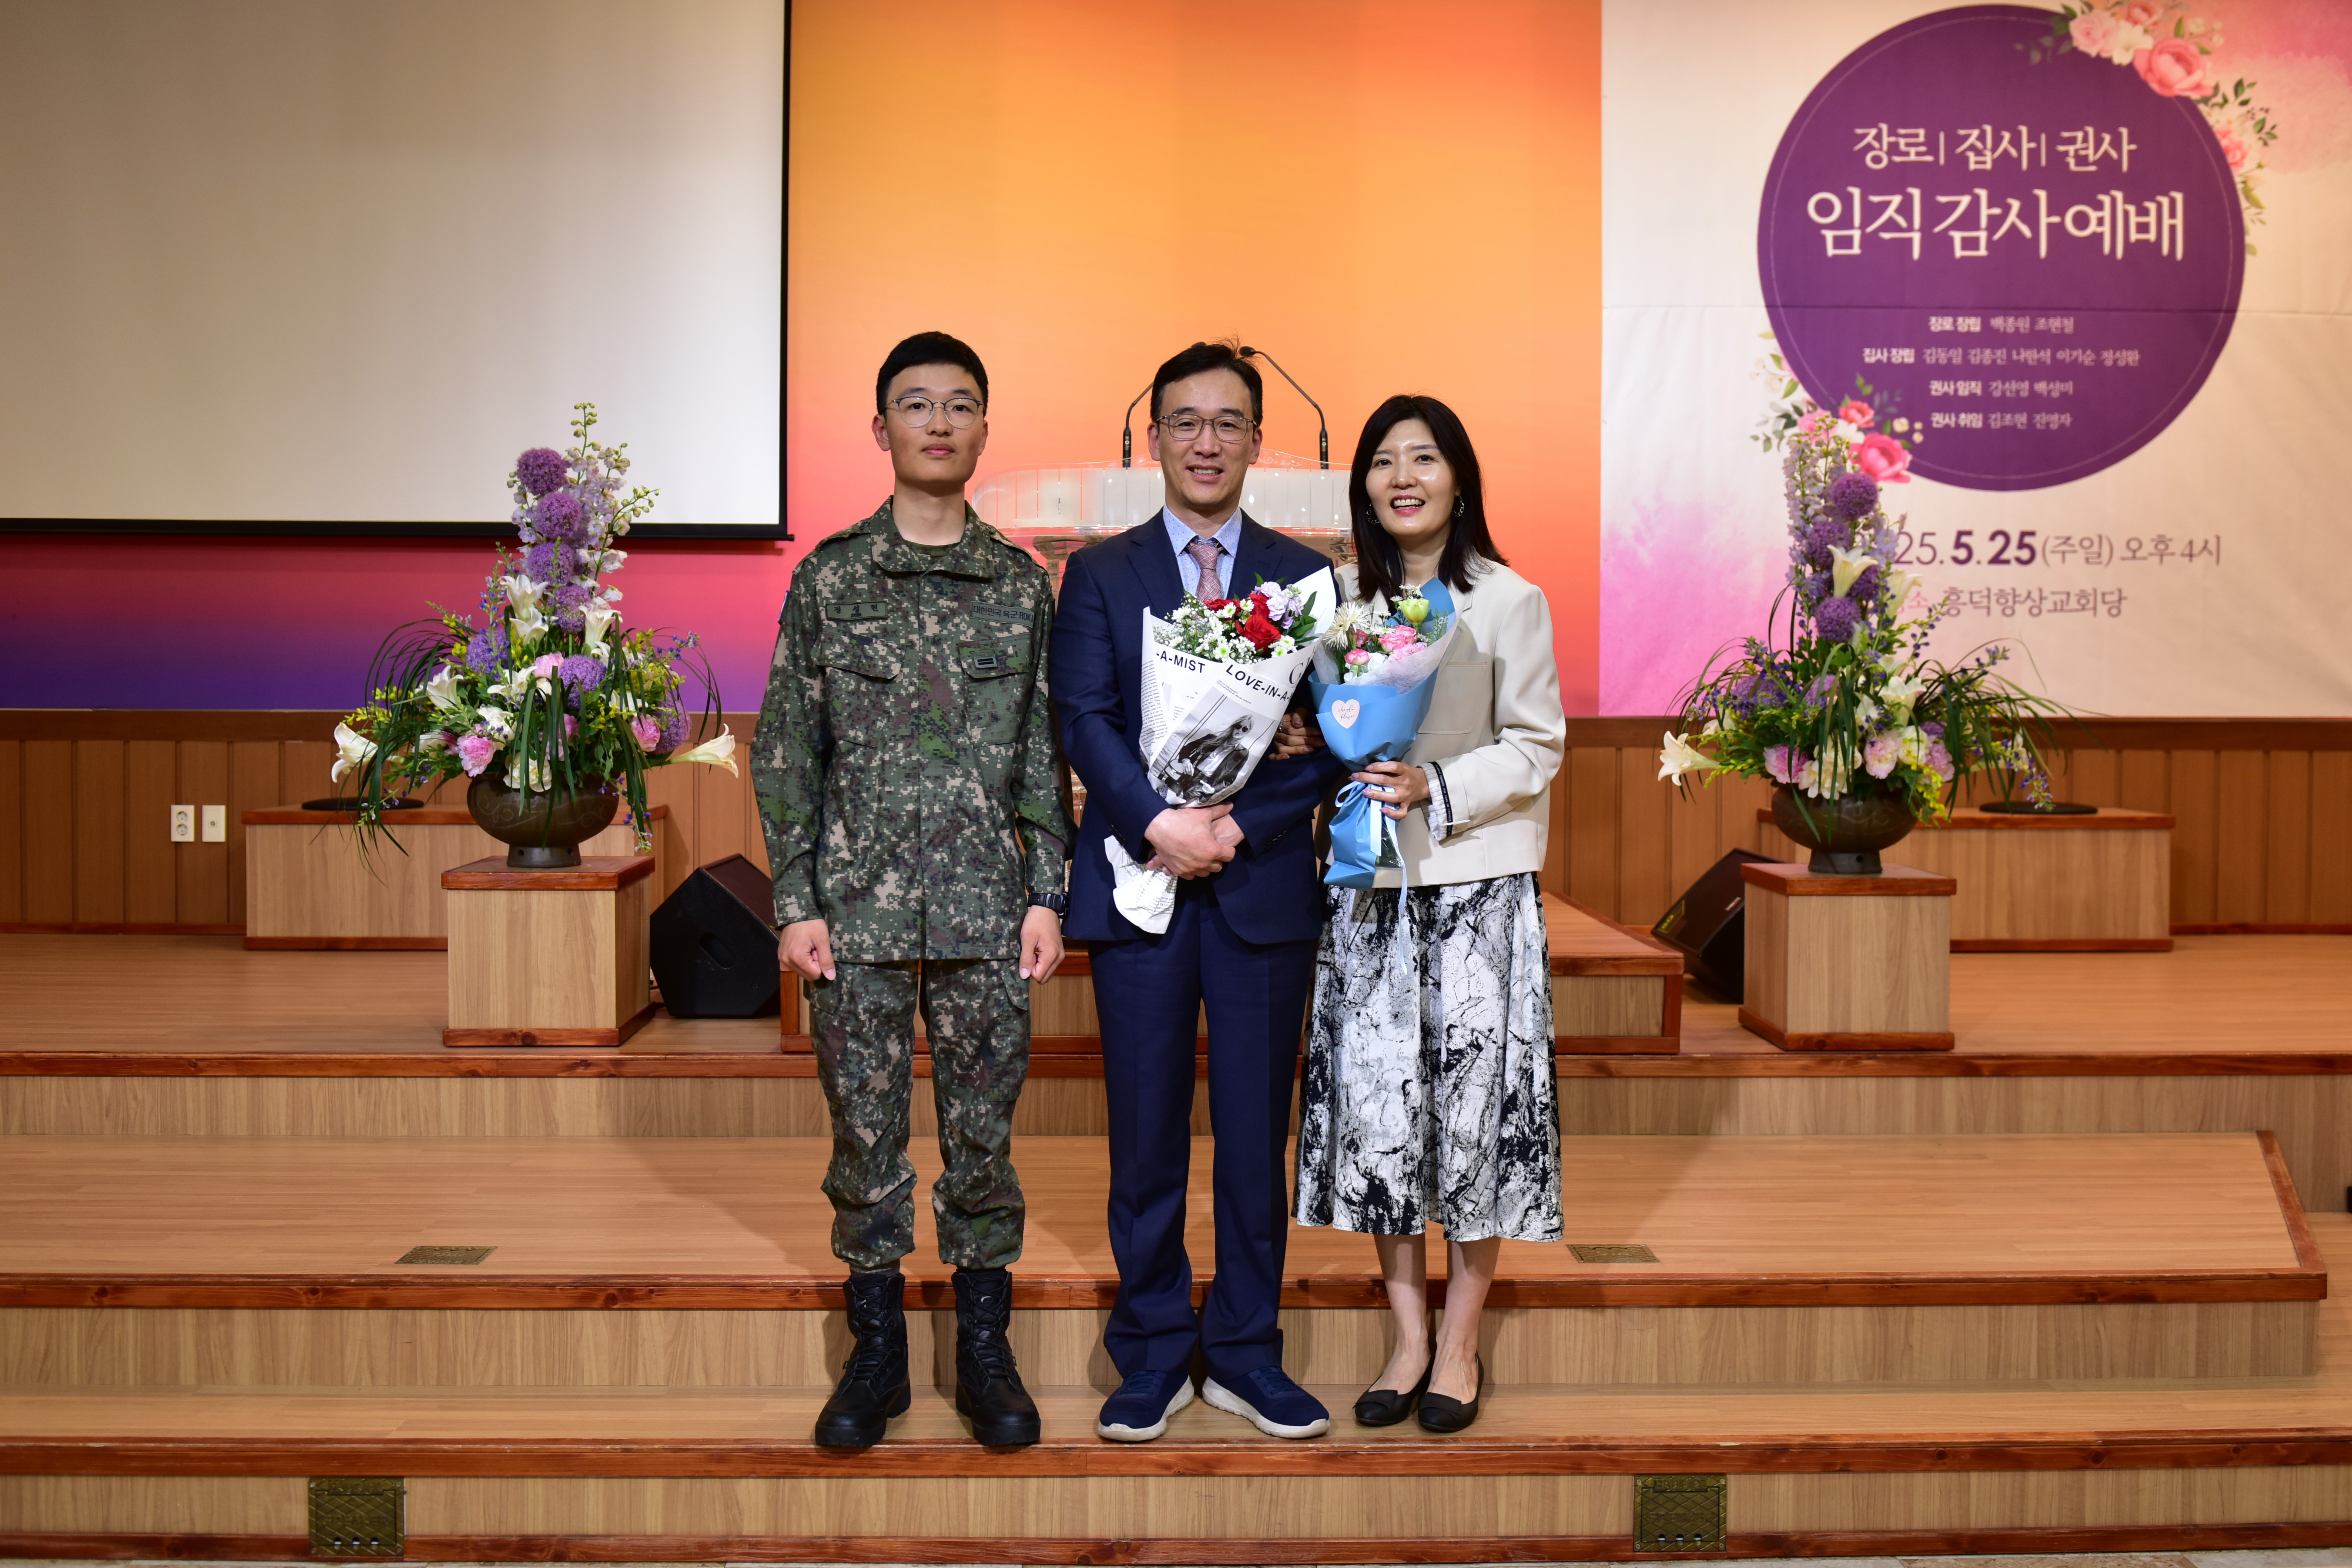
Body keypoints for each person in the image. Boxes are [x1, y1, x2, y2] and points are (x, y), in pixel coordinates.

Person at [753, 330, 1073, 1451]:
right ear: (881, 427)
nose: (939, 422)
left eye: (960, 404)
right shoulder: (831, 579)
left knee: (984, 1145)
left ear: (985, 427)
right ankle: (877, 1356)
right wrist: (796, 900)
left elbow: (1042, 751)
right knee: (865, 1144)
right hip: (857, 917)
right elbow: (787, 749)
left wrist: (1047, 892)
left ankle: (984, 1352)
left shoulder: (1020, 586)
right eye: (916, 403)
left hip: (990, 914)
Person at [1051, 340, 1350, 1443]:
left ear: (1257, 439)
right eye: (1185, 421)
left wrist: (1232, 826)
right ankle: (1151, 1348)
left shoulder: (1307, 577)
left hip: (1260, 887)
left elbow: (1335, 740)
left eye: (1228, 423)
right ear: (1154, 439)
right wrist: (1159, 824)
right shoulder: (1099, 572)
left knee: (1256, 1134)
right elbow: (1083, 717)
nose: (1207, 442)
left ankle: (1245, 1349)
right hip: (1139, 883)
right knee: (1145, 1133)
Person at [1292, 393, 1566, 1434]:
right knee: (1381, 1120)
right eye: (1382, 461)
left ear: (1459, 478)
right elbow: (1323, 731)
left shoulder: (1509, 600)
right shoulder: (1336, 606)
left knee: (1471, 1118)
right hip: (1370, 894)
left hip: (1477, 891)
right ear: (1362, 485)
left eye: (1424, 458)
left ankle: (1460, 1339)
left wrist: (1435, 785)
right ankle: (1406, 1337)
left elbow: (1536, 743)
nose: (1402, 477)